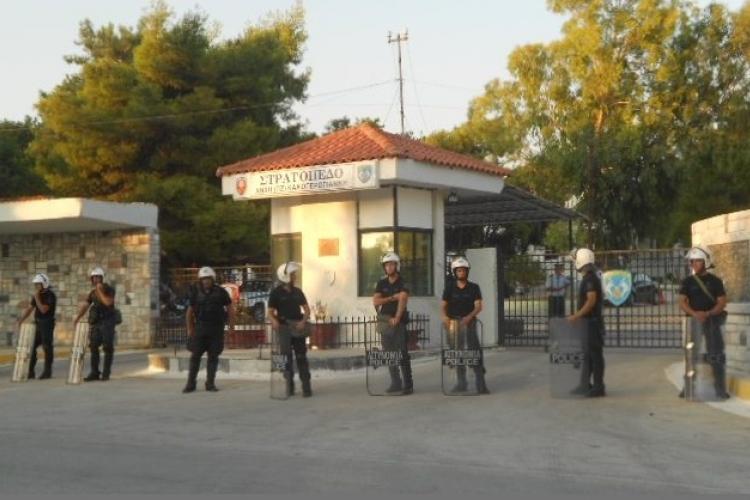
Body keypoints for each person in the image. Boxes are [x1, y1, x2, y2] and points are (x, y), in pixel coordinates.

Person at [678, 246, 730, 400]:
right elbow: (681, 302)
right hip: (693, 323)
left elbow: (722, 302)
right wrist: (695, 314)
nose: (694, 264)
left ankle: (720, 389)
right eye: (692, 261)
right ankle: (688, 387)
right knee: (691, 355)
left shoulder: (716, 281)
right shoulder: (688, 282)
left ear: (706, 261)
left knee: (716, 354)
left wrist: (708, 313)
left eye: (698, 261)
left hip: (713, 321)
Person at [440, 256, 489, 394]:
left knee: (474, 351)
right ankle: (461, 383)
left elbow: (478, 306)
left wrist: (469, 317)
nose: (461, 273)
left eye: (463, 270)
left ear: (467, 271)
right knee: (457, 353)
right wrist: (444, 317)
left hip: (469, 323)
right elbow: (443, 305)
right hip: (453, 323)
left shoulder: (474, 287)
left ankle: (481, 384)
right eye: (459, 270)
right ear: (454, 272)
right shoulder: (449, 288)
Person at [183, 267, 235, 393]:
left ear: (213, 279)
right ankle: (191, 384)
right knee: (195, 357)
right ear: (200, 280)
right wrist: (190, 329)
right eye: (203, 279)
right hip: (200, 329)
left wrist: (231, 327)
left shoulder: (221, 292)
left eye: (208, 279)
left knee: (213, 357)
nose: (206, 281)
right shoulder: (195, 293)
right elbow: (189, 312)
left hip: (216, 329)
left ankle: (210, 384)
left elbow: (230, 309)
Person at [268, 262, 312, 397]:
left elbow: (307, 310)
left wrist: (303, 322)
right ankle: (289, 386)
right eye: (293, 274)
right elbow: (270, 312)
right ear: (285, 276)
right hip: (283, 328)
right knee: (284, 358)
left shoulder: (298, 292)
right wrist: (274, 321)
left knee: (301, 357)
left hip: (297, 327)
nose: (295, 276)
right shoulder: (275, 293)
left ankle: (306, 388)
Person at [567, 248, 606, 398]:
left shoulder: (590, 279)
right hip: (588, 323)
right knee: (587, 355)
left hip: (592, 323)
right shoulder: (589, 277)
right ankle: (585, 384)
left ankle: (598, 387)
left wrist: (576, 316)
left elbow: (591, 301)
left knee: (595, 356)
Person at [373, 252, 413, 395]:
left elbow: (403, 298)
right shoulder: (381, 283)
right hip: (385, 321)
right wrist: (391, 298)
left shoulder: (403, 282)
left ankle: (408, 384)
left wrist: (397, 317)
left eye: (391, 264)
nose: (389, 267)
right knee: (389, 353)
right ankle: (396, 383)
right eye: (386, 265)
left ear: (397, 266)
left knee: (402, 353)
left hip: (399, 321)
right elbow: (376, 301)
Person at [73, 267, 117, 382]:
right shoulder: (92, 293)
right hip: (96, 323)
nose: (96, 279)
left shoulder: (109, 289)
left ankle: (106, 373)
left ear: (102, 278)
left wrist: (100, 291)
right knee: (93, 346)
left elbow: (108, 302)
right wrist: (77, 318)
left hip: (108, 322)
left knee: (107, 347)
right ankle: (94, 372)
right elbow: (85, 306)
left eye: (98, 277)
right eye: (94, 277)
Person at [17, 273, 57, 379]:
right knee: (31, 346)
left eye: (38, 284)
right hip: (37, 324)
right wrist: (21, 320)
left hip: (47, 323)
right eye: (36, 284)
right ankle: (30, 372)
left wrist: (37, 298)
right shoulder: (37, 295)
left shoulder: (50, 295)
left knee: (47, 346)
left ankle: (47, 371)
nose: (36, 286)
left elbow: (43, 310)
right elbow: (30, 308)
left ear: (44, 283)